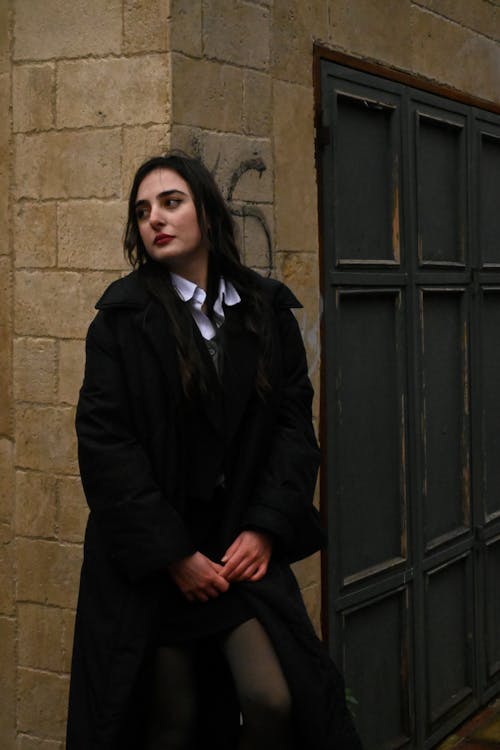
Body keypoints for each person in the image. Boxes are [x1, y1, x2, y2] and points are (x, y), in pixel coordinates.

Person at [66, 153, 362, 750]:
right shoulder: (120, 321)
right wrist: (174, 555)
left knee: (273, 698)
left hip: (235, 553)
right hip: (155, 564)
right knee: (170, 720)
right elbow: (106, 447)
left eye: (171, 202)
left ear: (205, 210)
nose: (155, 219)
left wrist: (265, 529)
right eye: (143, 210)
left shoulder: (264, 309)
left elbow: (290, 428)